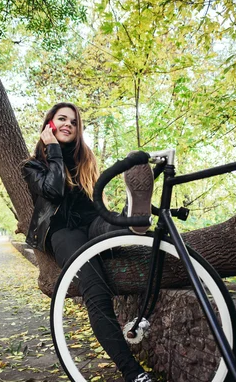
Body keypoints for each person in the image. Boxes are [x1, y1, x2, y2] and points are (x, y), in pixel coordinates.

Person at [22, 102, 154, 382]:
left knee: (113, 224)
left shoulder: (86, 158)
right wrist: (55, 151)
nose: (68, 124)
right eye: (61, 119)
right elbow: (54, 192)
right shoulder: (33, 166)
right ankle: (134, 374)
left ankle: (130, 218)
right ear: (50, 125)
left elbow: (95, 201)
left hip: (93, 223)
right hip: (64, 234)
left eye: (73, 121)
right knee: (96, 294)